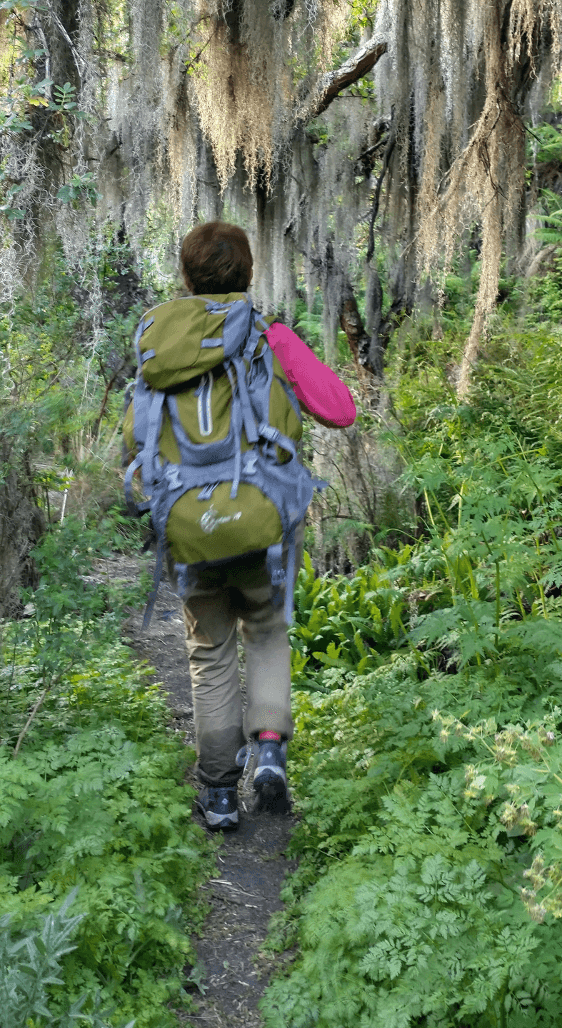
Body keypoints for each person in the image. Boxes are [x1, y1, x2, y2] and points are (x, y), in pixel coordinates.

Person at [141, 222, 356, 830]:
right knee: (265, 630)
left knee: (210, 654)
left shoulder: (159, 344)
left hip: (190, 525)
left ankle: (217, 796)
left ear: (185, 277)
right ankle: (269, 753)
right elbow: (341, 409)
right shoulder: (270, 336)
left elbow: (134, 443)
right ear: (251, 273)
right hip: (263, 523)